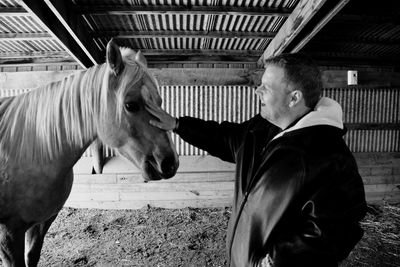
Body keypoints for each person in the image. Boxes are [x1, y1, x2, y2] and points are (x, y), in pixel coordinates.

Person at [146, 53, 367, 267]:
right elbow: (223, 137)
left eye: (266, 87)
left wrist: (273, 262)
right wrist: (177, 124)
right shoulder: (262, 129)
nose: (257, 91)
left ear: (294, 98)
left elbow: (340, 230)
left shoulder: (329, 155)